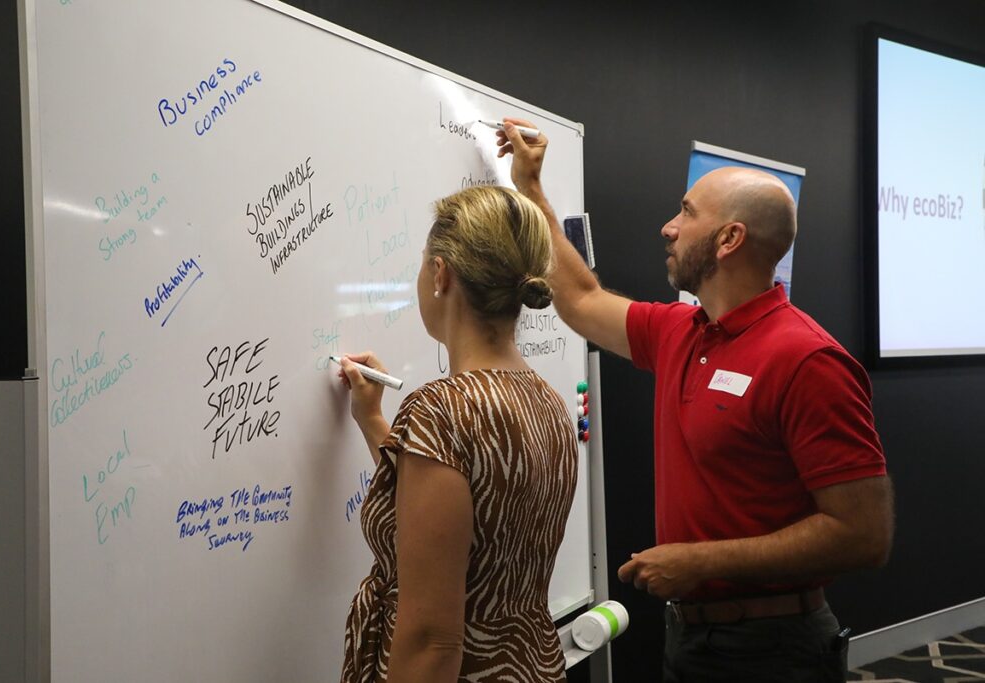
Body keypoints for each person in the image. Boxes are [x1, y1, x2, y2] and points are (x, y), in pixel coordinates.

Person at [496, 118, 894, 682]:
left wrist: (702, 561)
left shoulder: (808, 361)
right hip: (692, 636)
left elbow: (864, 534)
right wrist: (532, 191)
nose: (668, 228)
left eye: (685, 213)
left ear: (729, 239)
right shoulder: (680, 329)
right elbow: (582, 301)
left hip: (773, 648)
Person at [338, 185, 579, 683]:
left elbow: (431, 641)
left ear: (440, 273)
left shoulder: (443, 412)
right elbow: (469, 509)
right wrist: (375, 423)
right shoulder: (546, 402)